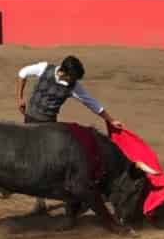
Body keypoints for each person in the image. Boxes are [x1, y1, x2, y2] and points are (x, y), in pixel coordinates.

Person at [16, 55, 124, 214]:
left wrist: (111, 120)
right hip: (30, 120)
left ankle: (67, 198)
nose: (73, 81)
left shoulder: (73, 86)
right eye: (72, 77)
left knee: (49, 163)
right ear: (62, 72)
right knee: (32, 159)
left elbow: (91, 102)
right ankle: (40, 201)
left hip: (49, 126)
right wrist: (19, 98)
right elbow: (22, 73)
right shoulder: (44, 68)